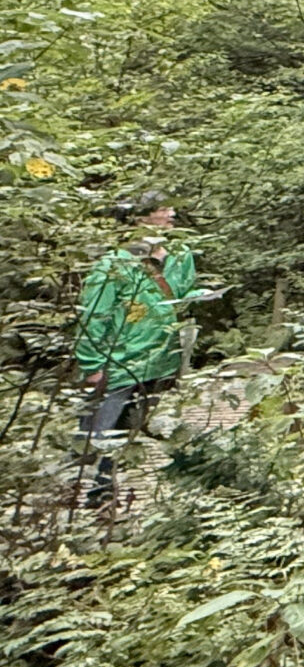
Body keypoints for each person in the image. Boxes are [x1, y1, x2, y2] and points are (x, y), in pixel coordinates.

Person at [74, 194, 202, 504]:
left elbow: (182, 296)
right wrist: (93, 366)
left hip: (159, 359)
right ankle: (79, 493)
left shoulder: (179, 254)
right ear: (139, 218)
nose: (172, 213)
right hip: (119, 361)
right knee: (100, 431)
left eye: (172, 207)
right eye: (162, 209)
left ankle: (102, 491)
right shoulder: (114, 265)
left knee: (128, 429)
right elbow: (94, 316)